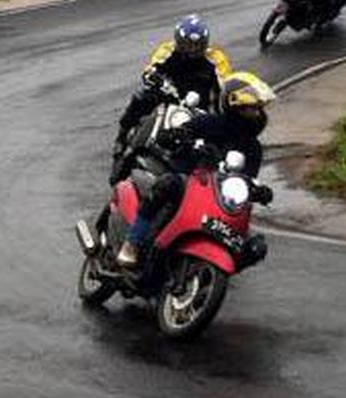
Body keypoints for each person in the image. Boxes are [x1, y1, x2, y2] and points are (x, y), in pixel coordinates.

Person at [116, 71, 276, 268]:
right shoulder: (209, 123)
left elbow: (247, 178)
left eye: (259, 109)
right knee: (168, 185)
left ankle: (215, 267)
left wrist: (257, 190)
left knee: (255, 246)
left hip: (218, 200)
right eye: (252, 109)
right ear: (236, 107)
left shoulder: (253, 147)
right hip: (188, 183)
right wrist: (181, 137)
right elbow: (170, 136)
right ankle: (132, 243)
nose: (258, 115)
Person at [113, 15, 232, 161]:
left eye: (198, 45)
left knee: (220, 135)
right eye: (188, 45)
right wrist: (154, 77)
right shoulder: (167, 50)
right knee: (142, 98)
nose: (193, 50)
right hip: (169, 96)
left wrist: (227, 99)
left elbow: (226, 83)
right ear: (179, 42)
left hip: (199, 106)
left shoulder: (216, 58)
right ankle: (122, 135)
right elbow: (151, 69)